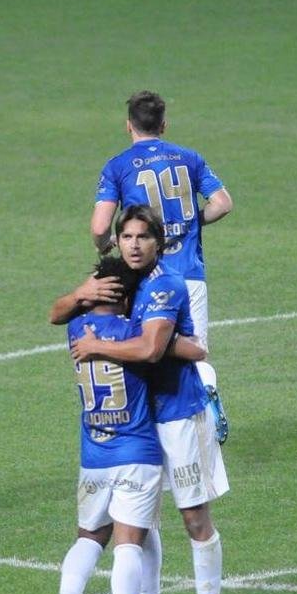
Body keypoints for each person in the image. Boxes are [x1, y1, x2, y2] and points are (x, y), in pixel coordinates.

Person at [59, 206, 229, 594]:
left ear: (160, 243)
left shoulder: (165, 284)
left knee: (194, 519)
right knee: (142, 521)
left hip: (179, 413)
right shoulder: (123, 284)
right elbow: (58, 313)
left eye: (143, 237)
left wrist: (99, 344)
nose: (134, 245)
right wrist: (82, 292)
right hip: (143, 417)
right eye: (127, 237)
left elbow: (152, 350)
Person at [90, 90, 233, 445]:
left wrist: (108, 245)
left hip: (146, 278)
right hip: (189, 275)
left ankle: (150, 430)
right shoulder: (190, 158)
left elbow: (98, 227)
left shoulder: (118, 166)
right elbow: (222, 204)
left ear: (128, 126)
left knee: (146, 349)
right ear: (164, 125)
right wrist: (191, 223)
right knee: (193, 349)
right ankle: (205, 406)